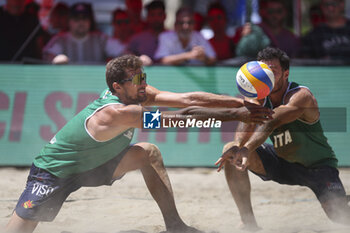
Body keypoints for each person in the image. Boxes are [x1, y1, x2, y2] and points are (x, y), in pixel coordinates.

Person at [5, 54, 273, 233]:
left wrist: (240, 102)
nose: (143, 83)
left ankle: (175, 225)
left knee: (148, 152)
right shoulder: (119, 112)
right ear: (116, 87)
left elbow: (188, 99)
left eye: (143, 76)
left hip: (95, 165)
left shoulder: (137, 95)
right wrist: (237, 114)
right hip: (54, 172)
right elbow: (183, 119)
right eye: (136, 80)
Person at [216, 47, 350, 231]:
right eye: (263, 72)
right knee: (231, 150)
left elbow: (271, 122)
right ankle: (248, 222)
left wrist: (247, 148)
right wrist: (239, 146)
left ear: (286, 73)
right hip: (283, 164)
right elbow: (246, 122)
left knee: (340, 216)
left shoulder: (301, 96)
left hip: (318, 166)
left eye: (272, 72)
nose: (266, 77)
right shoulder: (259, 98)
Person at [43, 2, 123, 64]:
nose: (81, 22)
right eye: (76, 19)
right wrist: (56, 59)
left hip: (95, 82)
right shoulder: (60, 40)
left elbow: (124, 53)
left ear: (90, 21)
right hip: (67, 81)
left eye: (84, 18)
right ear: (69, 21)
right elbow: (49, 56)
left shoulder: (101, 39)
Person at [233, 0, 300, 58]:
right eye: (270, 11)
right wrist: (245, 38)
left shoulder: (291, 38)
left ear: (285, 12)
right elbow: (240, 53)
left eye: (279, 11)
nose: (275, 15)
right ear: (262, 12)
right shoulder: (253, 31)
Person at [126, 0, 166, 66]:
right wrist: (138, 59)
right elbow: (125, 55)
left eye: (159, 14)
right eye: (152, 15)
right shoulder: (137, 38)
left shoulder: (173, 36)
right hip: (142, 75)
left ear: (165, 16)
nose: (156, 18)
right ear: (147, 17)